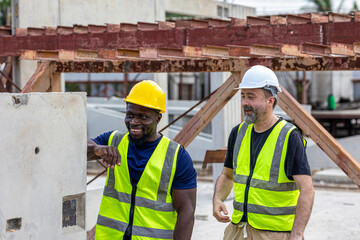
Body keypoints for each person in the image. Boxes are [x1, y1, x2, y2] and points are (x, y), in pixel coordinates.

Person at [212, 65, 315, 240]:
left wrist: (297, 234)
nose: (245, 102)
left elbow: (307, 190)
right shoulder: (238, 133)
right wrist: (217, 199)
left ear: (270, 101)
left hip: (273, 234)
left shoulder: (289, 137)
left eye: (251, 97)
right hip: (238, 230)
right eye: (243, 96)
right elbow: (227, 175)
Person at [87, 80, 197, 240]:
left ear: (158, 118)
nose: (134, 122)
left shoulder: (176, 156)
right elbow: (78, 149)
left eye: (143, 117)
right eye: (130, 115)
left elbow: (186, 211)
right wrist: (97, 150)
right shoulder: (113, 140)